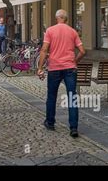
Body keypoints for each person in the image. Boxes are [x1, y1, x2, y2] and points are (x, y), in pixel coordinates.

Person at [37, 9, 86, 138]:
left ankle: (50, 122)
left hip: (54, 68)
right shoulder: (73, 31)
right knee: (72, 97)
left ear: (56, 18)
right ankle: (74, 127)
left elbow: (44, 49)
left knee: (52, 96)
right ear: (67, 19)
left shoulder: (50, 31)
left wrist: (40, 68)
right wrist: (74, 61)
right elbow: (82, 51)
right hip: (70, 68)